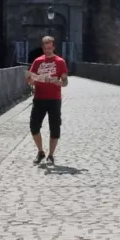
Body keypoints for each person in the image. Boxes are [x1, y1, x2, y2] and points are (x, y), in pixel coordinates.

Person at [27, 35, 68, 164]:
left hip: (54, 99)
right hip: (39, 98)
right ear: (43, 48)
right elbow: (29, 79)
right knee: (34, 126)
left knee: (55, 127)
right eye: (45, 48)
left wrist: (59, 82)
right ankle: (40, 151)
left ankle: (51, 155)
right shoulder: (37, 61)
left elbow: (65, 81)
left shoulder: (60, 62)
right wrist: (31, 80)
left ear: (54, 47)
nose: (47, 51)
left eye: (49, 48)